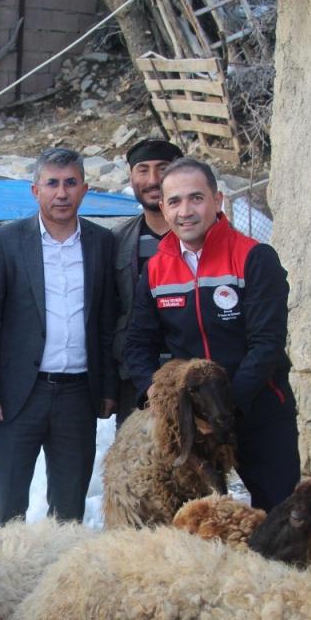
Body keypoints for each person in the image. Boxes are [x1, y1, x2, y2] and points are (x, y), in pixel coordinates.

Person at [124, 157, 299, 510]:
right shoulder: (157, 269)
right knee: (196, 521)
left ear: (217, 201)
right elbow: (137, 343)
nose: (185, 211)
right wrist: (157, 392)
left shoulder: (254, 258)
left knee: (280, 515)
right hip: (194, 424)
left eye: (196, 198)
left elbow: (266, 345)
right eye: (174, 201)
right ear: (163, 207)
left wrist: (225, 408)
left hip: (258, 411)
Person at [0, 147, 117, 528]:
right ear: (35, 191)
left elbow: (106, 321)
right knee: (8, 507)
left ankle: (59, 582)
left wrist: (108, 387)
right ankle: (5, 579)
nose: (62, 193)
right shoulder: (6, 241)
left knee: (69, 511)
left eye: (70, 183)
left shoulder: (102, 243)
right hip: (19, 394)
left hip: (77, 396)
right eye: (52, 183)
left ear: (85, 189)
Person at [110, 138, 184, 426]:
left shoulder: (199, 239)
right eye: (143, 170)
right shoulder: (118, 241)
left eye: (163, 168)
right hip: (136, 380)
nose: (153, 180)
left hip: (193, 373)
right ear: (131, 177)